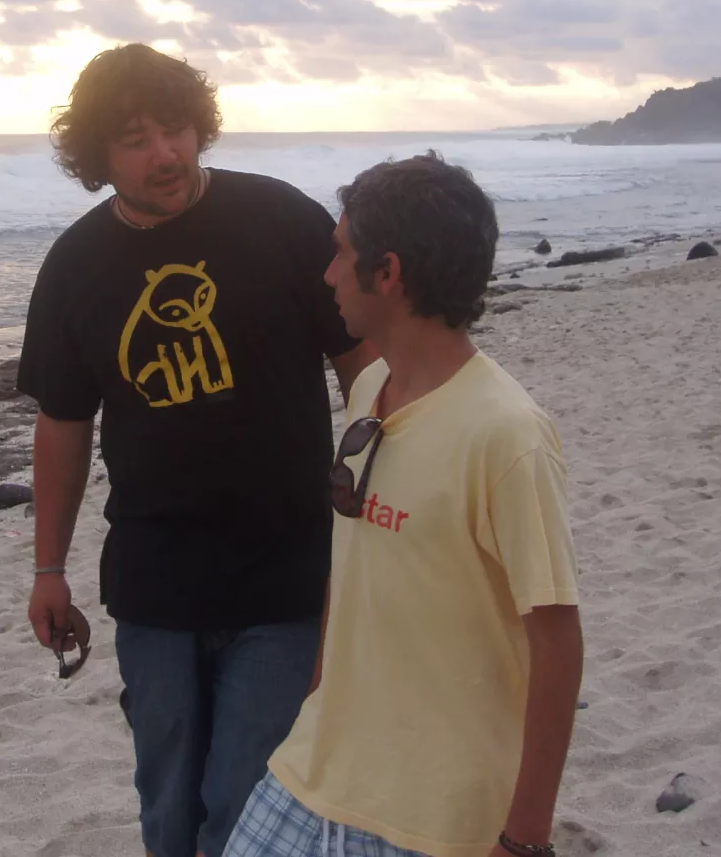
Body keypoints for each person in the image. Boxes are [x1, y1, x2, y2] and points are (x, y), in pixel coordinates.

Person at [18, 44, 375, 857]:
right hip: (156, 584)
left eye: (176, 129)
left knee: (244, 802)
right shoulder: (75, 266)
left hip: (286, 573)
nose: (166, 154)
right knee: (169, 807)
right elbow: (63, 423)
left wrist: (377, 500)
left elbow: (364, 365)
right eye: (135, 139)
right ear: (99, 155)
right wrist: (48, 569)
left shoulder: (282, 220)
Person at [225, 154, 583, 857]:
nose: (327, 274)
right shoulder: (368, 391)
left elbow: (557, 642)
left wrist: (526, 838)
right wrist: (319, 693)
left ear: (386, 273)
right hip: (315, 768)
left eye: (340, 253)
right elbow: (353, 560)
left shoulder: (506, 435)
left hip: (433, 813)